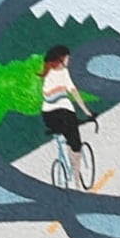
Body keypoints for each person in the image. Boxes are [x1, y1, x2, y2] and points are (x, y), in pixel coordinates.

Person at [35, 45, 98, 191]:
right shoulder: (63, 73)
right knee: (75, 144)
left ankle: (64, 166)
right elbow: (74, 93)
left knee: (66, 133)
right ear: (61, 59)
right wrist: (88, 113)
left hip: (48, 116)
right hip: (64, 113)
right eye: (67, 57)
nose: (69, 59)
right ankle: (76, 181)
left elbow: (48, 97)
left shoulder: (48, 74)